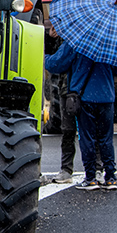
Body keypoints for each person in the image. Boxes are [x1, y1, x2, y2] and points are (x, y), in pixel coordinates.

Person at [44, 38, 117, 191]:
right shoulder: (111, 41)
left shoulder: (77, 40)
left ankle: (90, 178)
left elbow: (56, 64)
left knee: (87, 137)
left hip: (85, 96)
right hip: (107, 96)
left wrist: (44, 56)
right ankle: (110, 177)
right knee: (106, 138)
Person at [44, 20, 78, 183]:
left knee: (71, 130)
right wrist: (51, 38)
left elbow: (56, 62)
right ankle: (97, 170)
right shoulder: (66, 37)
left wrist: (45, 58)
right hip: (72, 88)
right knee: (71, 130)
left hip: (74, 88)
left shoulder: (72, 39)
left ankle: (68, 169)